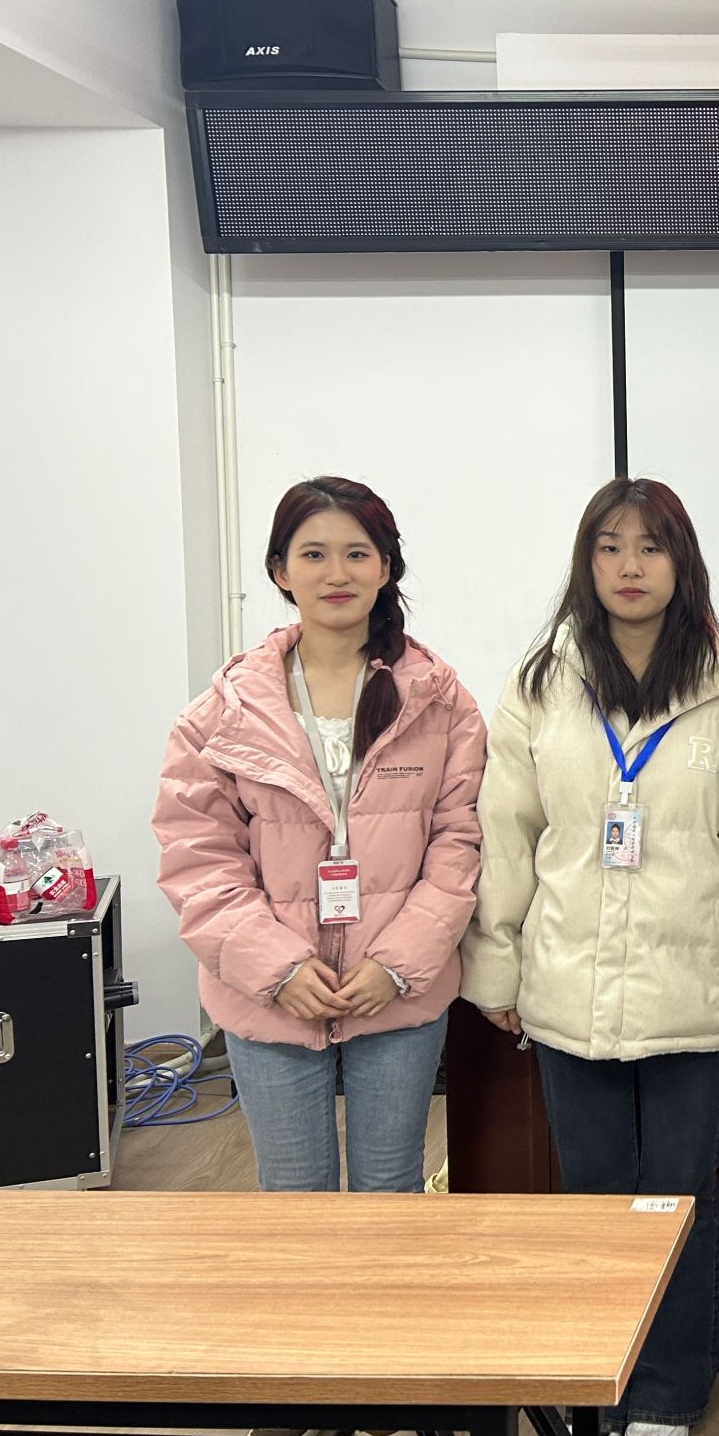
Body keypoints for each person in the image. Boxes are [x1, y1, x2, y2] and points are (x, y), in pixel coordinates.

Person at [462, 477, 719, 1436]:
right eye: (609, 546)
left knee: (678, 1194)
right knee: (595, 1193)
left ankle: (668, 1397)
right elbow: (507, 834)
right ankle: (601, 1387)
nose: (629, 566)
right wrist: (498, 965)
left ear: (681, 562)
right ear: (587, 562)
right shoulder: (540, 685)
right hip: (566, 985)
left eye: (650, 546)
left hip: (691, 987)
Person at [153, 476, 486, 1194]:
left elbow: (460, 844)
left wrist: (397, 963)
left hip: (397, 992)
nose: (337, 573)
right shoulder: (225, 711)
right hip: (269, 994)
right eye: (313, 554)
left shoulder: (440, 701)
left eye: (357, 554)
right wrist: (277, 968)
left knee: (389, 1188)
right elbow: (197, 859)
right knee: (293, 1195)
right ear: (280, 571)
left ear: (385, 567)